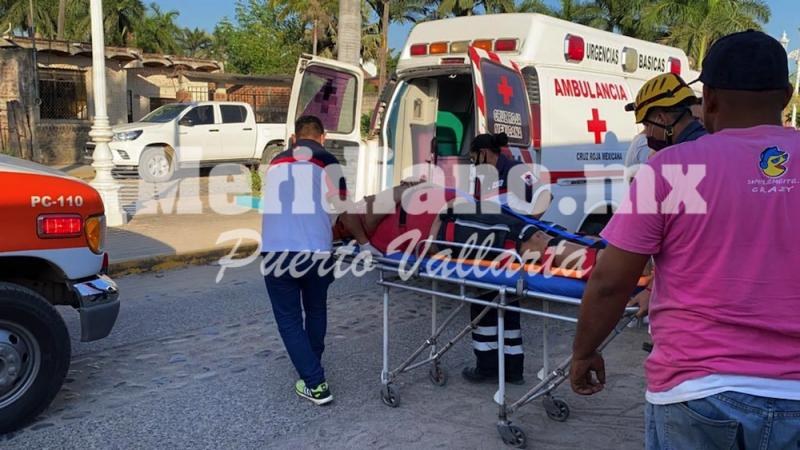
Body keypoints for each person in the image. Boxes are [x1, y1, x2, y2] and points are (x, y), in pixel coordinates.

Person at [570, 30, 800, 449]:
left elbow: (610, 282)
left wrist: (584, 352)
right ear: (786, 96)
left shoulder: (672, 169)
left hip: (697, 392)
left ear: (707, 97)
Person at [261, 115, 351, 406]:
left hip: (276, 251)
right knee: (315, 310)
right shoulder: (329, 161)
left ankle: (314, 379)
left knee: (288, 320)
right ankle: (313, 375)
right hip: (316, 251)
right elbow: (341, 210)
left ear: (294, 138)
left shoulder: (275, 162)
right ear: (322, 138)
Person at [624, 73, 708, 321]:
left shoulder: (668, 164)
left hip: (686, 312)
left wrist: (584, 351)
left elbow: (613, 274)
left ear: (661, 118)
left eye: (647, 125)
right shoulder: (720, 149)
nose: (646, 133)